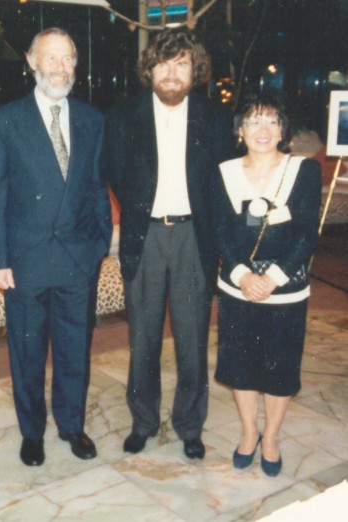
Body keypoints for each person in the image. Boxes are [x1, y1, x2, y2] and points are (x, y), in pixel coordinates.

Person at [0, 28, 112, 466]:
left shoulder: (93, 120)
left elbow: (97, 189)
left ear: (76, 64)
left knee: (75, 350)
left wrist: (98, 246)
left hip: (78, 258)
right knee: (27, 353)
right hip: (25, 262)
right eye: (50, 58)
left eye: (68, 58)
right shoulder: (4, 121)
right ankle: (32, 432)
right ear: (31, 62)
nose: (59, 67)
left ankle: (72, 426)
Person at [105, 28, 233, 459]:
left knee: (193, 340)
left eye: (182, 64)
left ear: (195, 70)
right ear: (150, 68)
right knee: (143, 339)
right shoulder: (124, 116)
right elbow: (117, 177)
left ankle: (189, 425)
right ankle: (143, 421)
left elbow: (222, 185)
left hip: (194, 238)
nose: (172, 73)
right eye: (164, 63)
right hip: (146, 236)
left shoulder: (215, 117)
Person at [212, 95, 321, 477]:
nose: (263, 130)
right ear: (240, 130)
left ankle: (271, 437)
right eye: (254, 122)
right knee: (241, 365)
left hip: (286, 288)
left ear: (282, 130)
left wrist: (272, 279)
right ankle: (248, 432)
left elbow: (307, 235)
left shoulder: (303, 170)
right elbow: (221, 231)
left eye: (272, 122)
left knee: (280, 367)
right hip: (237, 286)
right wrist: (243, 275)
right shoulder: (223, 171)